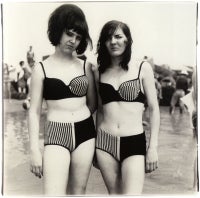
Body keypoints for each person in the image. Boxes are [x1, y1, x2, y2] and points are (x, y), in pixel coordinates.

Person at [28, 4, 97, 195]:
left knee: (78, 192)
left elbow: (93, 104)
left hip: (85, 132)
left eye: (78, 37)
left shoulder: (86, 67)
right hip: (56, 132)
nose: (73, 40)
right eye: (69, 34)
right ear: (58, 30)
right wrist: (34, 149)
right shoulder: (41, 68)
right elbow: (34, 112)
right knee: (53, 193)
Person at [95, 20, 160, 195]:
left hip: (134, 141)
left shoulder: (142, 68)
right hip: (104, 142)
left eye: (118, 36)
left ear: (127, 40)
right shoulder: (99, 72)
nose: (113, 41)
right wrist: (95, 146)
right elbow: (100, 111)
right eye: (108, 38)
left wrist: (152, 147)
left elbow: (154, 109)